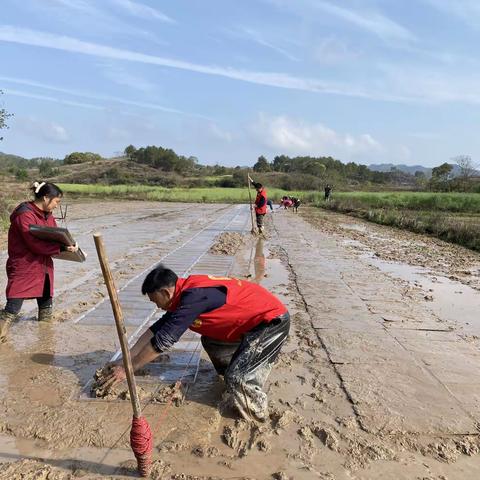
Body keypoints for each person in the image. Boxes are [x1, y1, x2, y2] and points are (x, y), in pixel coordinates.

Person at [97, 265, 290, 421]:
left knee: (237, 378)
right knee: (211, 339)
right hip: (248, 324)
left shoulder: (194, 297)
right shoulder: (184, 293)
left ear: (165, 292)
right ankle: (234, 371)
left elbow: (163, 341)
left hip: (270, 323)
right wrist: (126, 357)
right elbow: (155, 330)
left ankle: (257, 416)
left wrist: (129, 369)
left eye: (155, 300)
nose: (156, 306)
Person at [0, 181, 78, 342]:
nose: (57, 206)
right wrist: (62, 249)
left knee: (46, 306)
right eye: (56, 201)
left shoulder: (47, 215)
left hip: (44, 267)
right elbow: (34, 244)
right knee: (12, 307)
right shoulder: (24, 214)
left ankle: (45, 341)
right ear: (46, 197)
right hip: (24, 265)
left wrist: (69, 244)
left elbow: (56, 236)